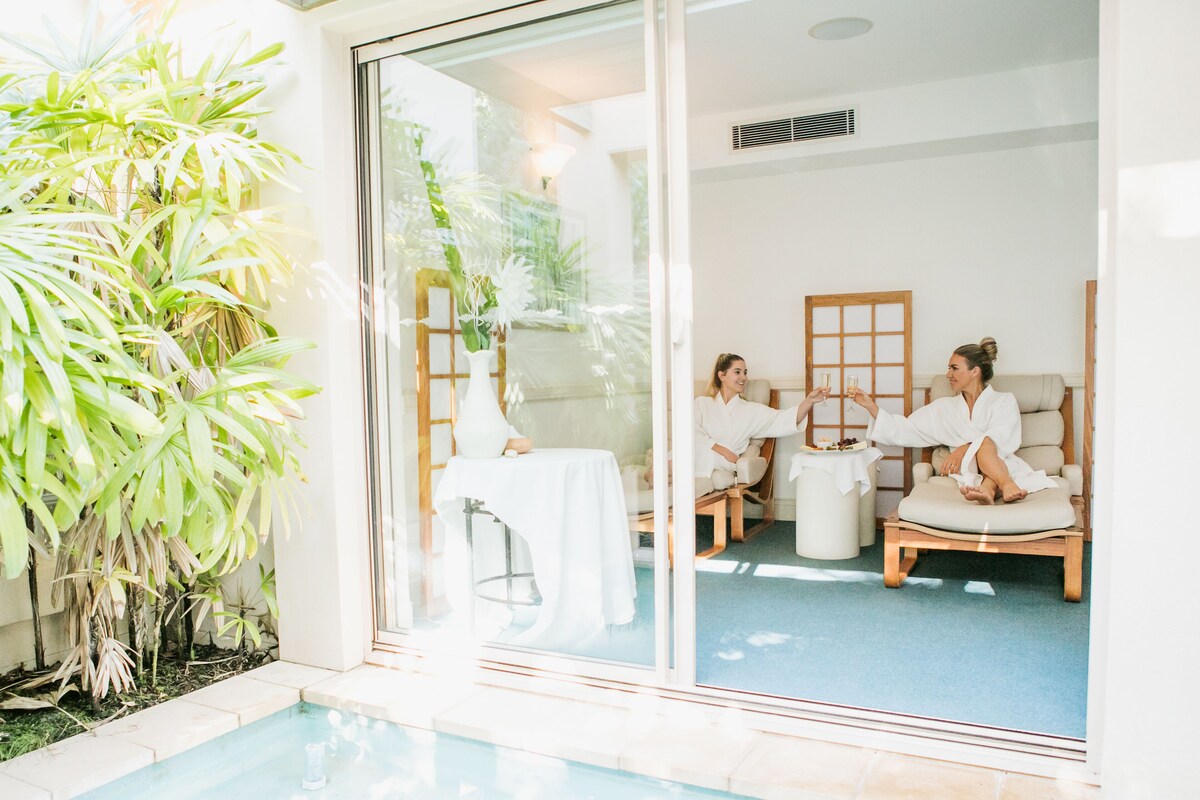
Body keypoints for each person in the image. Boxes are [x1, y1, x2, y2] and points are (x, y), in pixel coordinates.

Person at [847, 337, 1057, 504]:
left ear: (975, 372)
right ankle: (999, 486)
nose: (948, 374)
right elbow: (907, 429)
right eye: (948, 368)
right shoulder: (944, 408)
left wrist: (964, 448)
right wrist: (871, 406)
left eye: (954, 368)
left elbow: (1003, 439)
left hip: (1001, 463)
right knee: (983, 445)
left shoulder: (1004, 401)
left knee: (987, 444)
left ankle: (991, 488)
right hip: (969, 470)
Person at [690, 353, 830, 490]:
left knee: (689, 454)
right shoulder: (701, 403)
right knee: (688, 449)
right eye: (737, 372)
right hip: (702, 452)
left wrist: (809, 401)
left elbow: (784, 419)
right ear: (722, 376)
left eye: (745, 372)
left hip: (725, 462)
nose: (743, 377)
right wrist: (720, 449)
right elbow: (690, 432)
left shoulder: (751, 410)